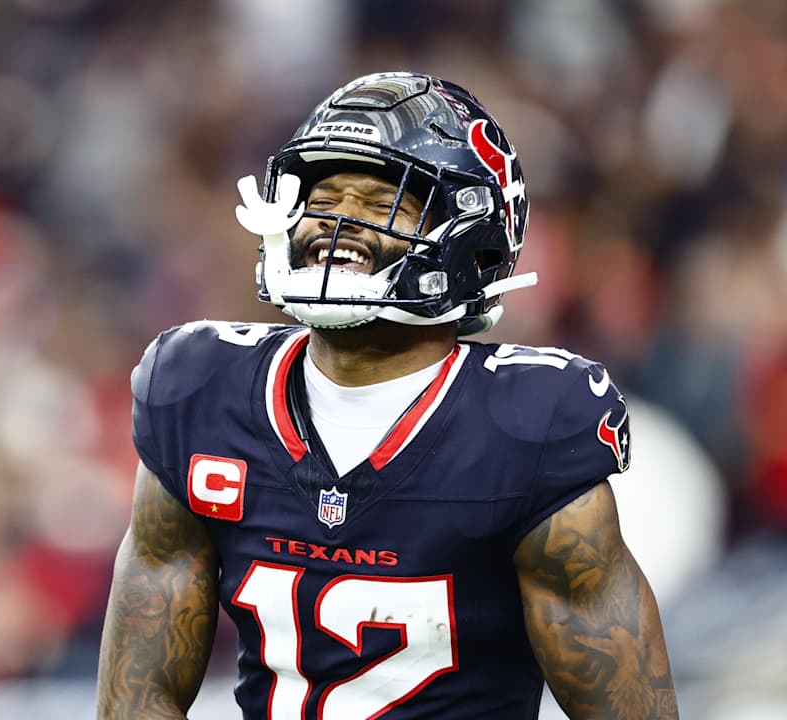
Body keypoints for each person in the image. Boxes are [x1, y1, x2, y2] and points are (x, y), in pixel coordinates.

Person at [96, 72, 677, 720]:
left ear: (470, 234)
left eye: (379, 202)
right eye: (322, 198)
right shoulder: (200, 388)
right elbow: (139, 695)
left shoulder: (529, 424)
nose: (334, 223)